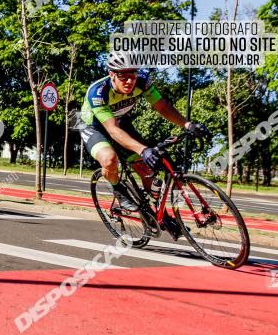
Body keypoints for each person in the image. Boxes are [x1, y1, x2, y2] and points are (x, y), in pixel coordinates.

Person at [78, 51, 210, 215]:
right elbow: (112, 130)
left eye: (132, 76)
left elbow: (162, 107)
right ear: (111, 74)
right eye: (123, 77)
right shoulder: (98, 92)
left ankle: (159, 214)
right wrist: (142, 149)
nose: (129, 81)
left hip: (120, 121)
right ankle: (118, 189)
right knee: (110, 159)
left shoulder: (142, 83)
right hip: (94, 126)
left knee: (145, 168)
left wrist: (188, 124)